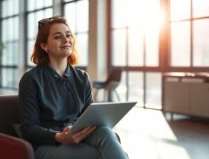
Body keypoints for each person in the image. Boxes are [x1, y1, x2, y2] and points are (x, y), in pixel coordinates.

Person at [18, 16, 128, 159]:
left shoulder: (82, 78)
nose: (66, 40)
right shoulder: (31, 79)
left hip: (77, 134)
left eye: (68, 35)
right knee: (99, 155)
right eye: (58, 37)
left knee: (107, 132)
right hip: (47, 143)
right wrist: (59, 137)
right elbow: (28, 129)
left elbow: (91, 118)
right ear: (44, 46)